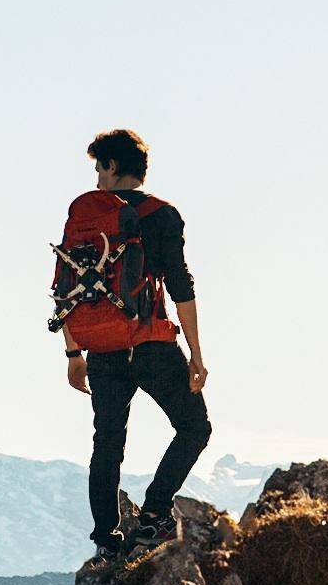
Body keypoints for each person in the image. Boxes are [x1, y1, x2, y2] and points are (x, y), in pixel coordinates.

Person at [50, 128, 211, 551]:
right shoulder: (161, 214)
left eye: (99, 168)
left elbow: (69, 285)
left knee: (107, 442)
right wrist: (196, 353)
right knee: (194, 426)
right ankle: (155, 514)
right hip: (151, 343)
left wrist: (73, 353)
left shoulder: (86, 220)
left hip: (101, 349)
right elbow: (181, 286)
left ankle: (107, 538)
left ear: (113, 165)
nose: (97, 178)